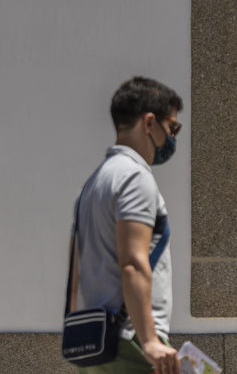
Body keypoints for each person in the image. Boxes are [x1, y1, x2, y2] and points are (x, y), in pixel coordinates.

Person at [68, 76, 183, 374]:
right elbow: (132, 261)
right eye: (173, 127)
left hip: (95, 341)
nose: (173, 138)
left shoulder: (93, 183)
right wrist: (149, 341)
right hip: (129, 341)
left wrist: (75, 330)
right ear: (149, 123)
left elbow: (77, 266)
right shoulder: (134, 178)